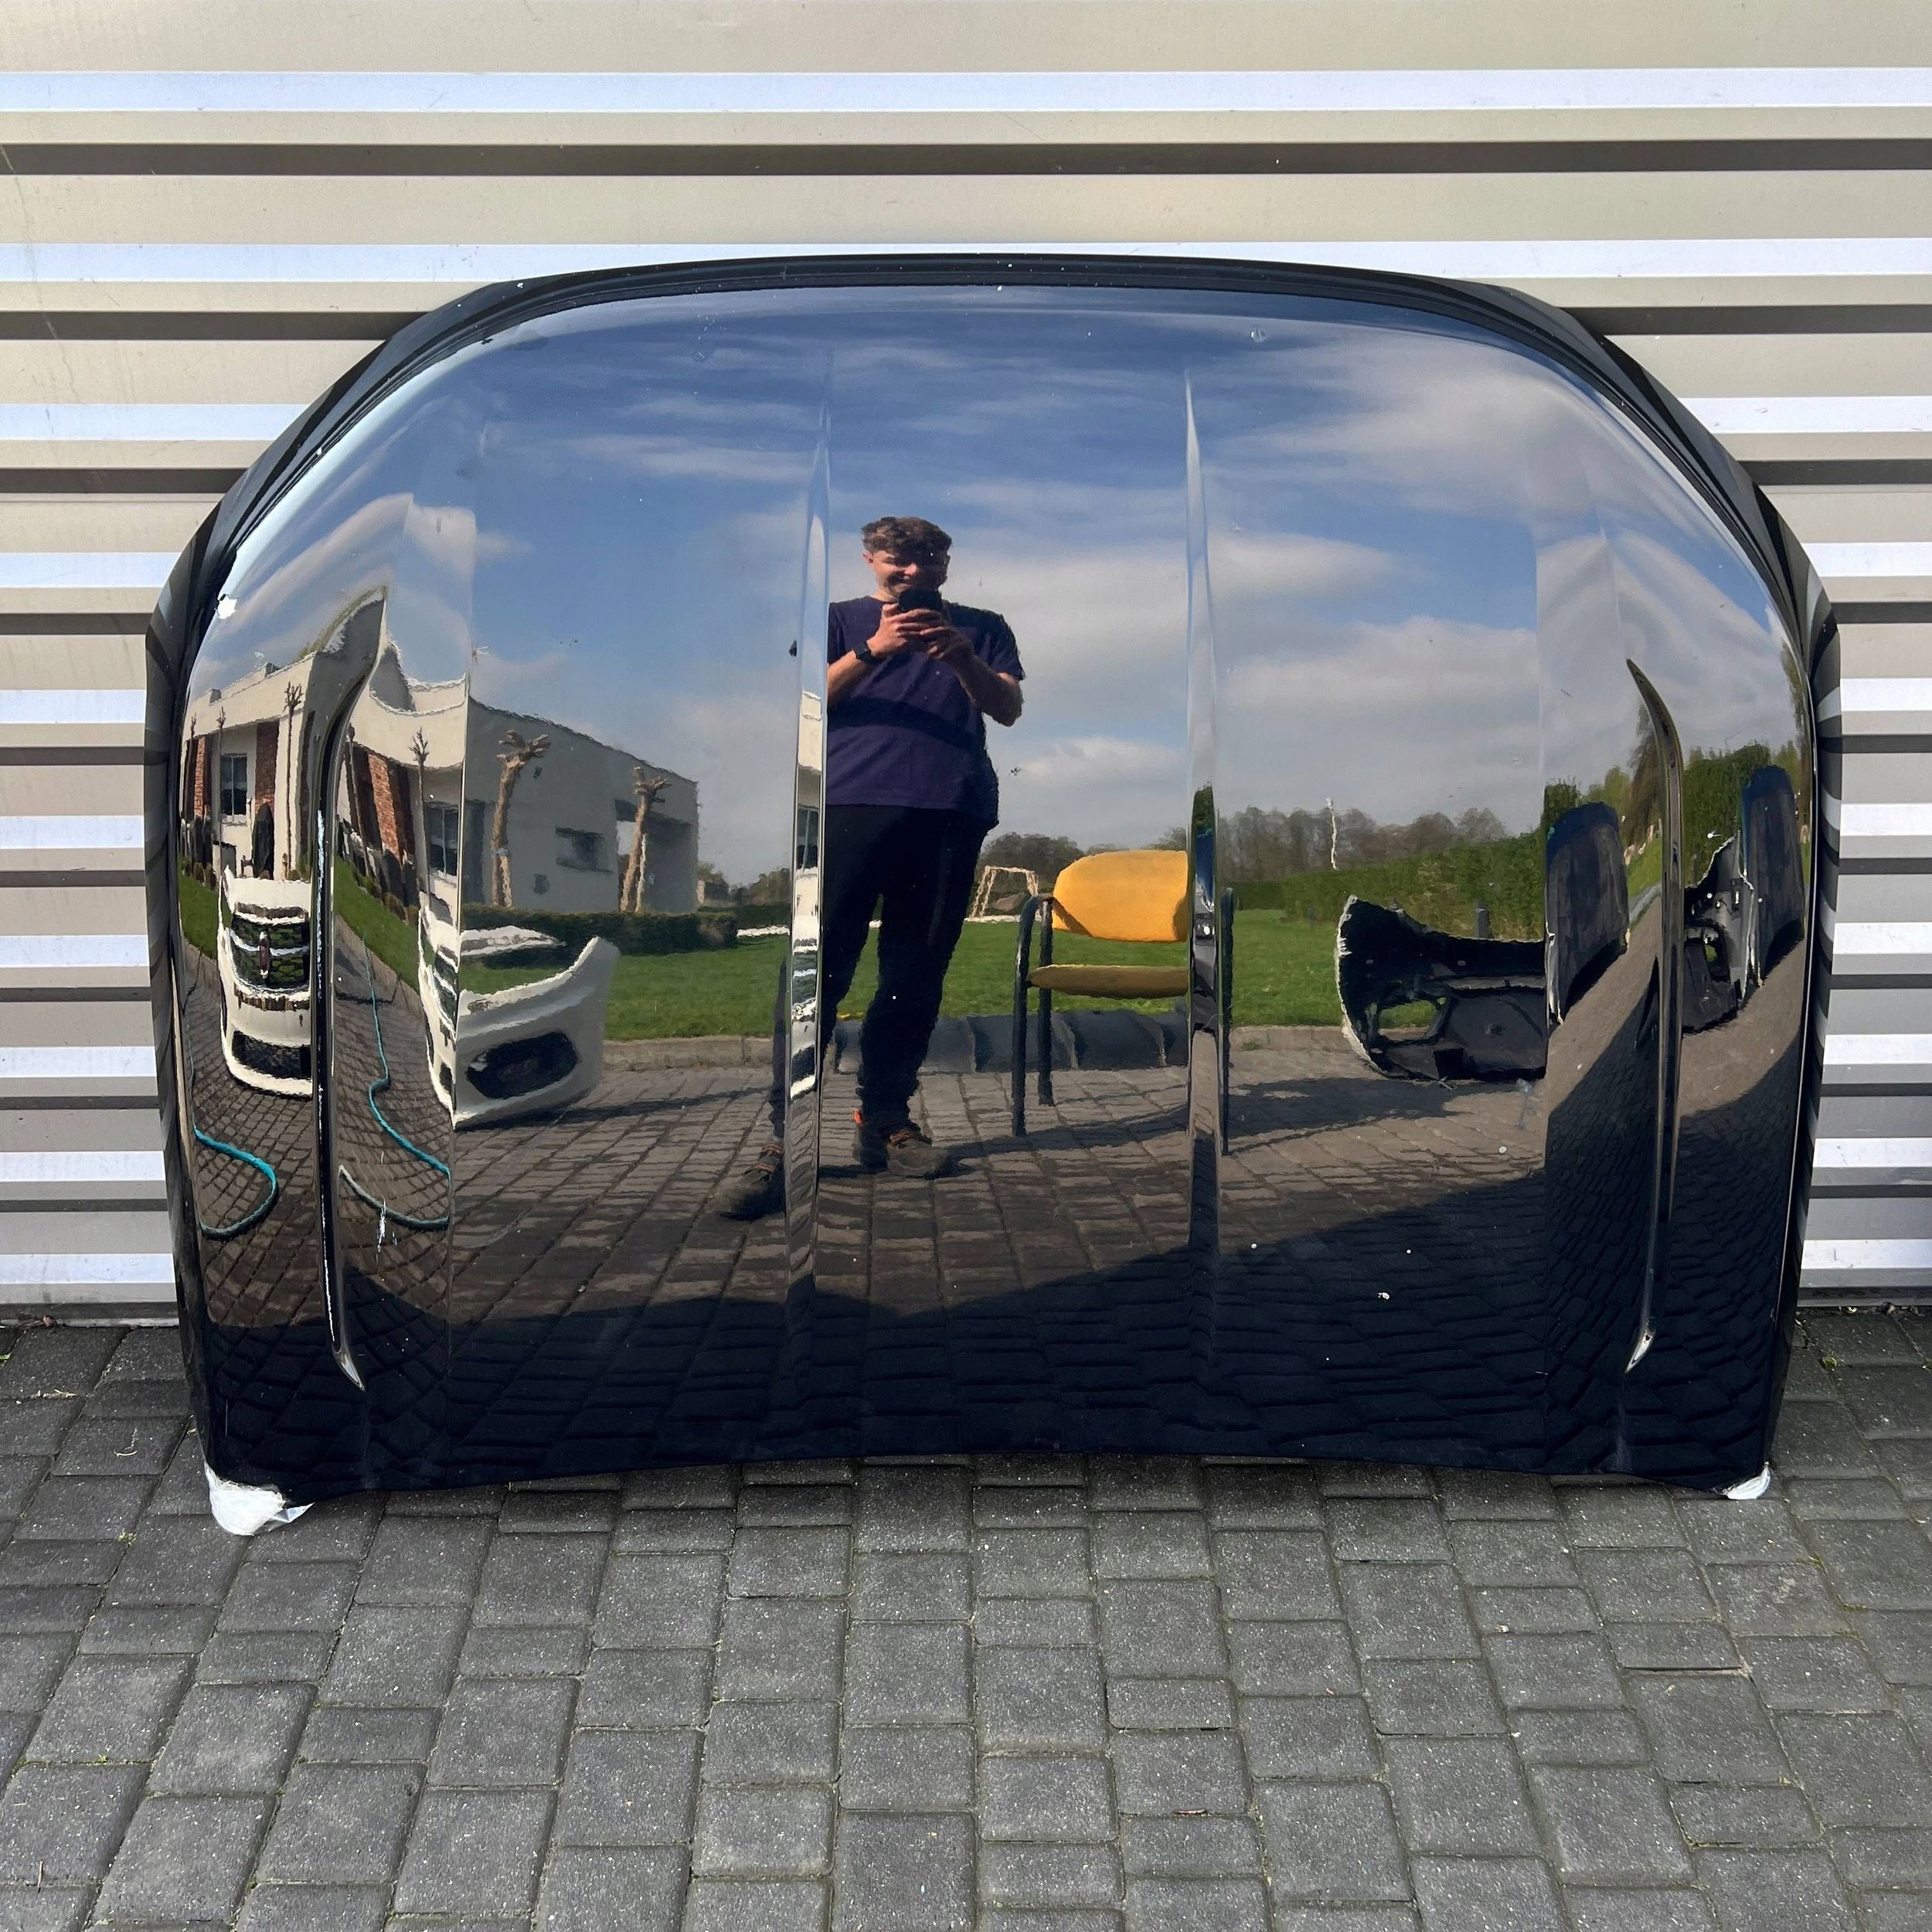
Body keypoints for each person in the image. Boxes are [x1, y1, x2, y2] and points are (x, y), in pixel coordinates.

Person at [719, 514, 1023, 1218]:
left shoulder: (984, 628)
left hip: (950, 811)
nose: (913, 569)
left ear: (945, 566)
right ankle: (787, 1138)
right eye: (898, 557)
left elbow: (1007, 708)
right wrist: (873, 650)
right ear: (870, 560)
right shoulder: (834, 621)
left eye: (929, 558)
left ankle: (885, 1121)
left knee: (915, 975)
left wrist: (964, 661)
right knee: (816, 971)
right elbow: (804, 703)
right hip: (847, 807)